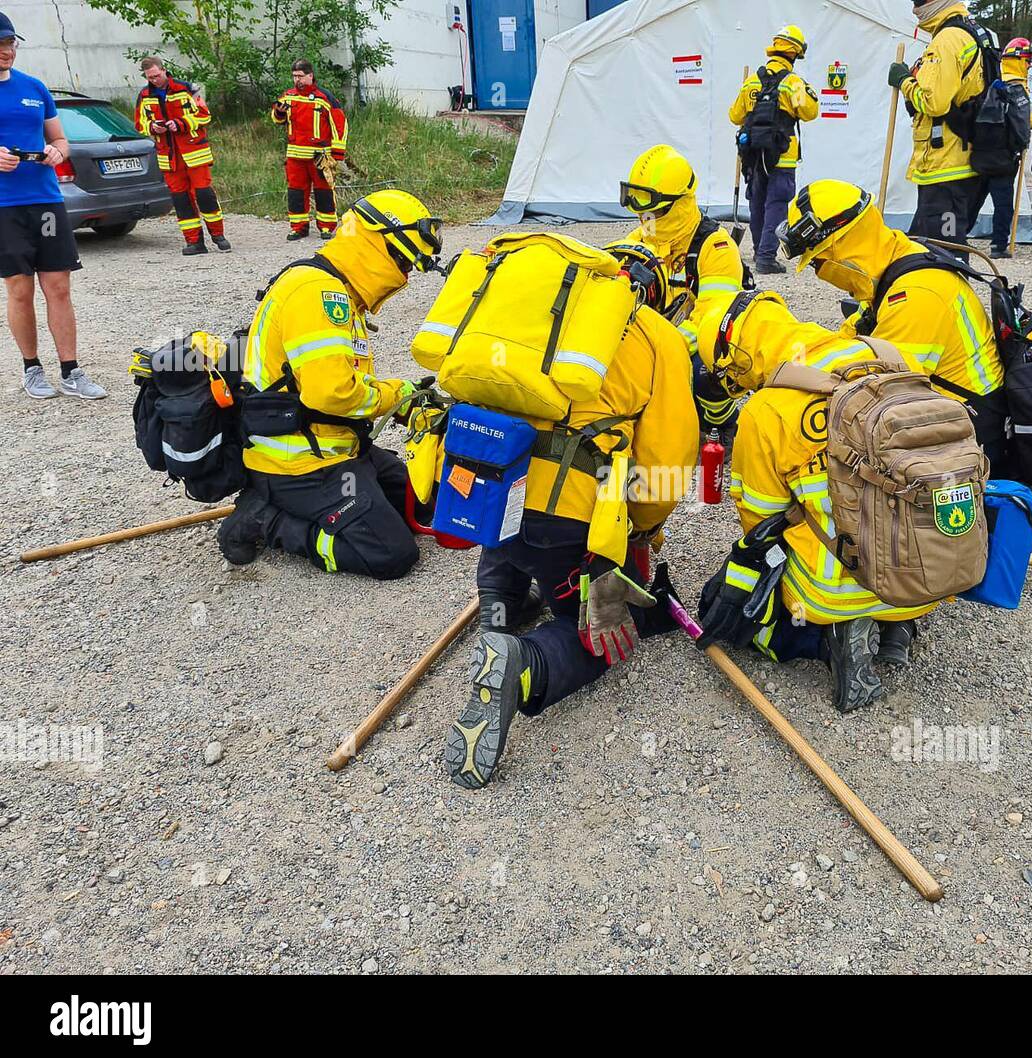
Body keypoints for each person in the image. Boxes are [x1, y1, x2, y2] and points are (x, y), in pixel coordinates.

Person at [420, 244, 697, 790]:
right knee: (614, 621)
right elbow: (668, 461)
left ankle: (498, 604)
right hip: (564, 530)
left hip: (484, 499)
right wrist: (635, 535)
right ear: (650, 292)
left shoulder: (526, 316)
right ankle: (525, 664)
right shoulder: (655, 335)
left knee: (514, 492)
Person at [690, 290, 939, 706]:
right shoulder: (891, 357)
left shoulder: (767, 411)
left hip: (832, 591)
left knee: (733, 590)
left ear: (738, 360)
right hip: (929, 568)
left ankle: (833, 635)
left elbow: (761, 523)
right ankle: (902, 623)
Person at [775, 179, 1032, 549]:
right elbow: (853, 341)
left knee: (844, 428)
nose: (820, 274)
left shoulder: (917, 294)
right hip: (962, 411)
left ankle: (984, 509)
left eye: (819, 263)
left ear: (843, 250)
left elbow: (881, 391)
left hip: (969, 433)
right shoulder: (897, 260)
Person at [217, 190, 440, 577]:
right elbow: (331, 393)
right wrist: (395, 394)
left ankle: (316, 504)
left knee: (421, 506)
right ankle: (263, 519)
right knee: (391, 554)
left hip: (338, 448)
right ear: (372, 244)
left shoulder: (332, 288)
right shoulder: (319, 293)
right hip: (299, 464)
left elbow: (342, 382)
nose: (403, 276)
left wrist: (402, 402)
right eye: (402, 260)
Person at [0, 11, 105, 401]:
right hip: (4, 206)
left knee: (58, 287)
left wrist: (54, 153)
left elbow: (61, 141)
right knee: (19, 289)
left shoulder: (34, 87)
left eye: (9, 43)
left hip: (45, 200)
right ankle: (32, 368)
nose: (6, 51)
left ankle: (71, 370)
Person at [620, 144, 747, 438]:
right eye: (641, 213)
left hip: (699, 341)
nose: (646, 221)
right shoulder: (638, 240)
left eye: (654, 212)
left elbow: (710, 321)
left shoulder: (716, 247)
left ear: (680, 203)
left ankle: (721, 426)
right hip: (655, 342)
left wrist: (661, 352)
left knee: (707, 371)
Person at [887, 1, 987, 245]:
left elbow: (934, 103)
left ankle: (949, 282)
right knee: (925, 243)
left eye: (919, 2)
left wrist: (904, 82)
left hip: (947, 164)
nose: (914, 9)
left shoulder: (947, 40)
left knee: (945, 247)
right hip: (956, 161)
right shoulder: (968, 31)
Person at [729, 25, 819, 274]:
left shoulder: (751, 82)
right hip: (782, 155)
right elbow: (810, 113)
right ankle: (767, 258)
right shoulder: (793, 83)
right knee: (776, 204)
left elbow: (734, 116)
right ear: (795, 55)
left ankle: (760, 250)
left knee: (757, 202)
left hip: (754, 155)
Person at [135, 56, 230, 256]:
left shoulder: (187, 88)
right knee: (181, 200)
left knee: (204, 195)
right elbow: (139, 123)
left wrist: (180, 123)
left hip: (194, 152)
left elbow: (204, 115)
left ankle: (218, 236)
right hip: (169, 156)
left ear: (164, 70)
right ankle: (194, 242)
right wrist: (152, 127)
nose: (154, 80)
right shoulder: (144, 95)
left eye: (156, 75)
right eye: (149, 77)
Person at [271, 59, 347, 241]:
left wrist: (337, 153)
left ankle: (327, 227)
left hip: (319, 155)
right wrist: (279, 113)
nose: (297, 80)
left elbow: (340, 124)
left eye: (301, 76)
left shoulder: (324, 97)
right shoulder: (288, 96)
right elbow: (277, 119)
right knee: (296, 192)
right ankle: (299, 227)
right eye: (294, 76)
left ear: (310, 76)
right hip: (295, 155)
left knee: (324, 191)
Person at [981, 38, 1032, 258]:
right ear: (1017, 60)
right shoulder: (1017, 88)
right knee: (1003, 202)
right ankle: (999, 245)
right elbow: (1021, 125)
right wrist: (1023, 143)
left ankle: (957, 236)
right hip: (1004, 156)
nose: (1030, 65)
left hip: (982, 152)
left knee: (973, 198)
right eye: (1027, 60)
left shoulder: (991, 79)